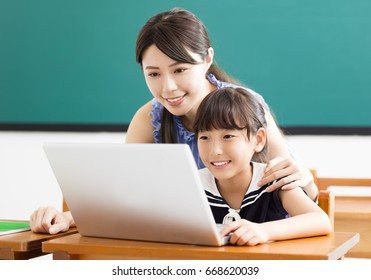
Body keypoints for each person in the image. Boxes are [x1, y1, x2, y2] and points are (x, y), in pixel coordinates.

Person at [29, 7, 317, 234]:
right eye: (153, 74)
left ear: (206, 60)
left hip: (262, 241)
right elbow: (121, 192)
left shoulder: (243, 107)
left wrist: (304, 179)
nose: (168, 88)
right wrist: (64, 218)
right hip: (191, 244)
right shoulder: (149, 118)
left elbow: (305, 191)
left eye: (179, 70)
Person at [193, 87, 332, 246]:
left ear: (258, 140)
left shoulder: (275, 181)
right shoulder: (193, 184)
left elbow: (320, 221)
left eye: (228, 136)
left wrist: (265, 231)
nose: (215, 150)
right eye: (204, 137)